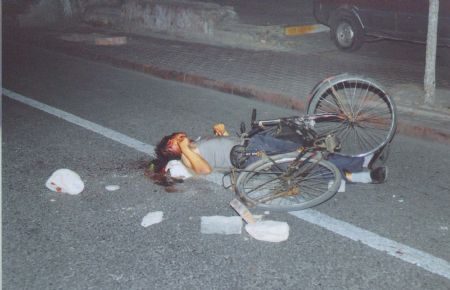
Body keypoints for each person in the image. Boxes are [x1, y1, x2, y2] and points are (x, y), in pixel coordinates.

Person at [149, 123, 388, 185]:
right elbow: (205, 169)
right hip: (251, 155)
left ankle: (358, 165)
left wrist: (222, 133)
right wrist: (185, 150)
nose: (178, 139)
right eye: (173, 142)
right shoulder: (185, 158)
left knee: (302, 152)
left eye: (175, 137)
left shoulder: (197, 141)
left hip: (251, 143)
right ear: (173, 150)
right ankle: (361, 170)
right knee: (301, 162)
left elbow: (223, 148)